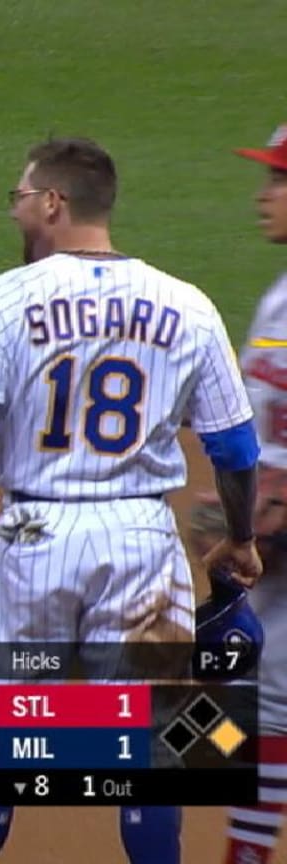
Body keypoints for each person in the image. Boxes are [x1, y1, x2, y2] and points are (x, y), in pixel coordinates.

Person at [0, 137, 262, 864]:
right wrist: (240, 538)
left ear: (52, 202)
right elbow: (233, 450)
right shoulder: (187, 306)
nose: (16, 210)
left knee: (1, 733)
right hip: (139, 541)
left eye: (19, 197)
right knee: (152, 738)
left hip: (35, 540)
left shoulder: (4, 300)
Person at [213, 123, 287, 864]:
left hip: (275, 546)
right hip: (266, 550)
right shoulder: (279, 300)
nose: (264, 196)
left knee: (257, 710)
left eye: (279, 181)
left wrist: (261, 518)